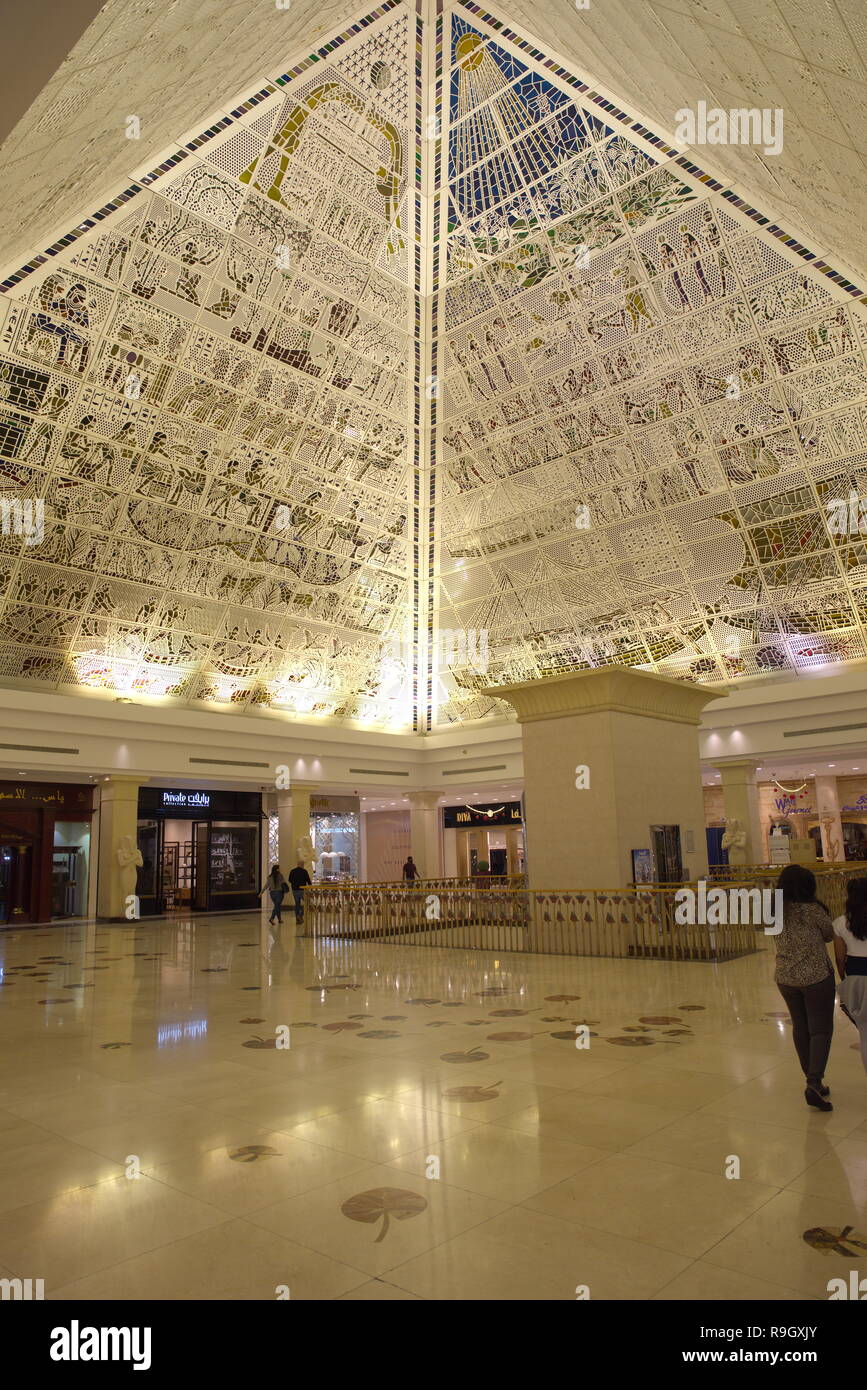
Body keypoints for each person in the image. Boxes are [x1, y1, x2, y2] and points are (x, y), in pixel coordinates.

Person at [773, 864, 836, 1110]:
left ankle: (813, 1081)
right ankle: (814, 1081)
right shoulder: (813, 911)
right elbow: (829, 934)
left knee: (800, 1028)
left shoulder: (775, 911)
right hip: (816, 977)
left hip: (786, 978)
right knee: (820, 1030)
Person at [832, 877, 867, 1075]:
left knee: (865, 1032)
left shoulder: (840, 922)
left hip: (856, 979)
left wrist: (845, 980)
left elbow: (839, 957)